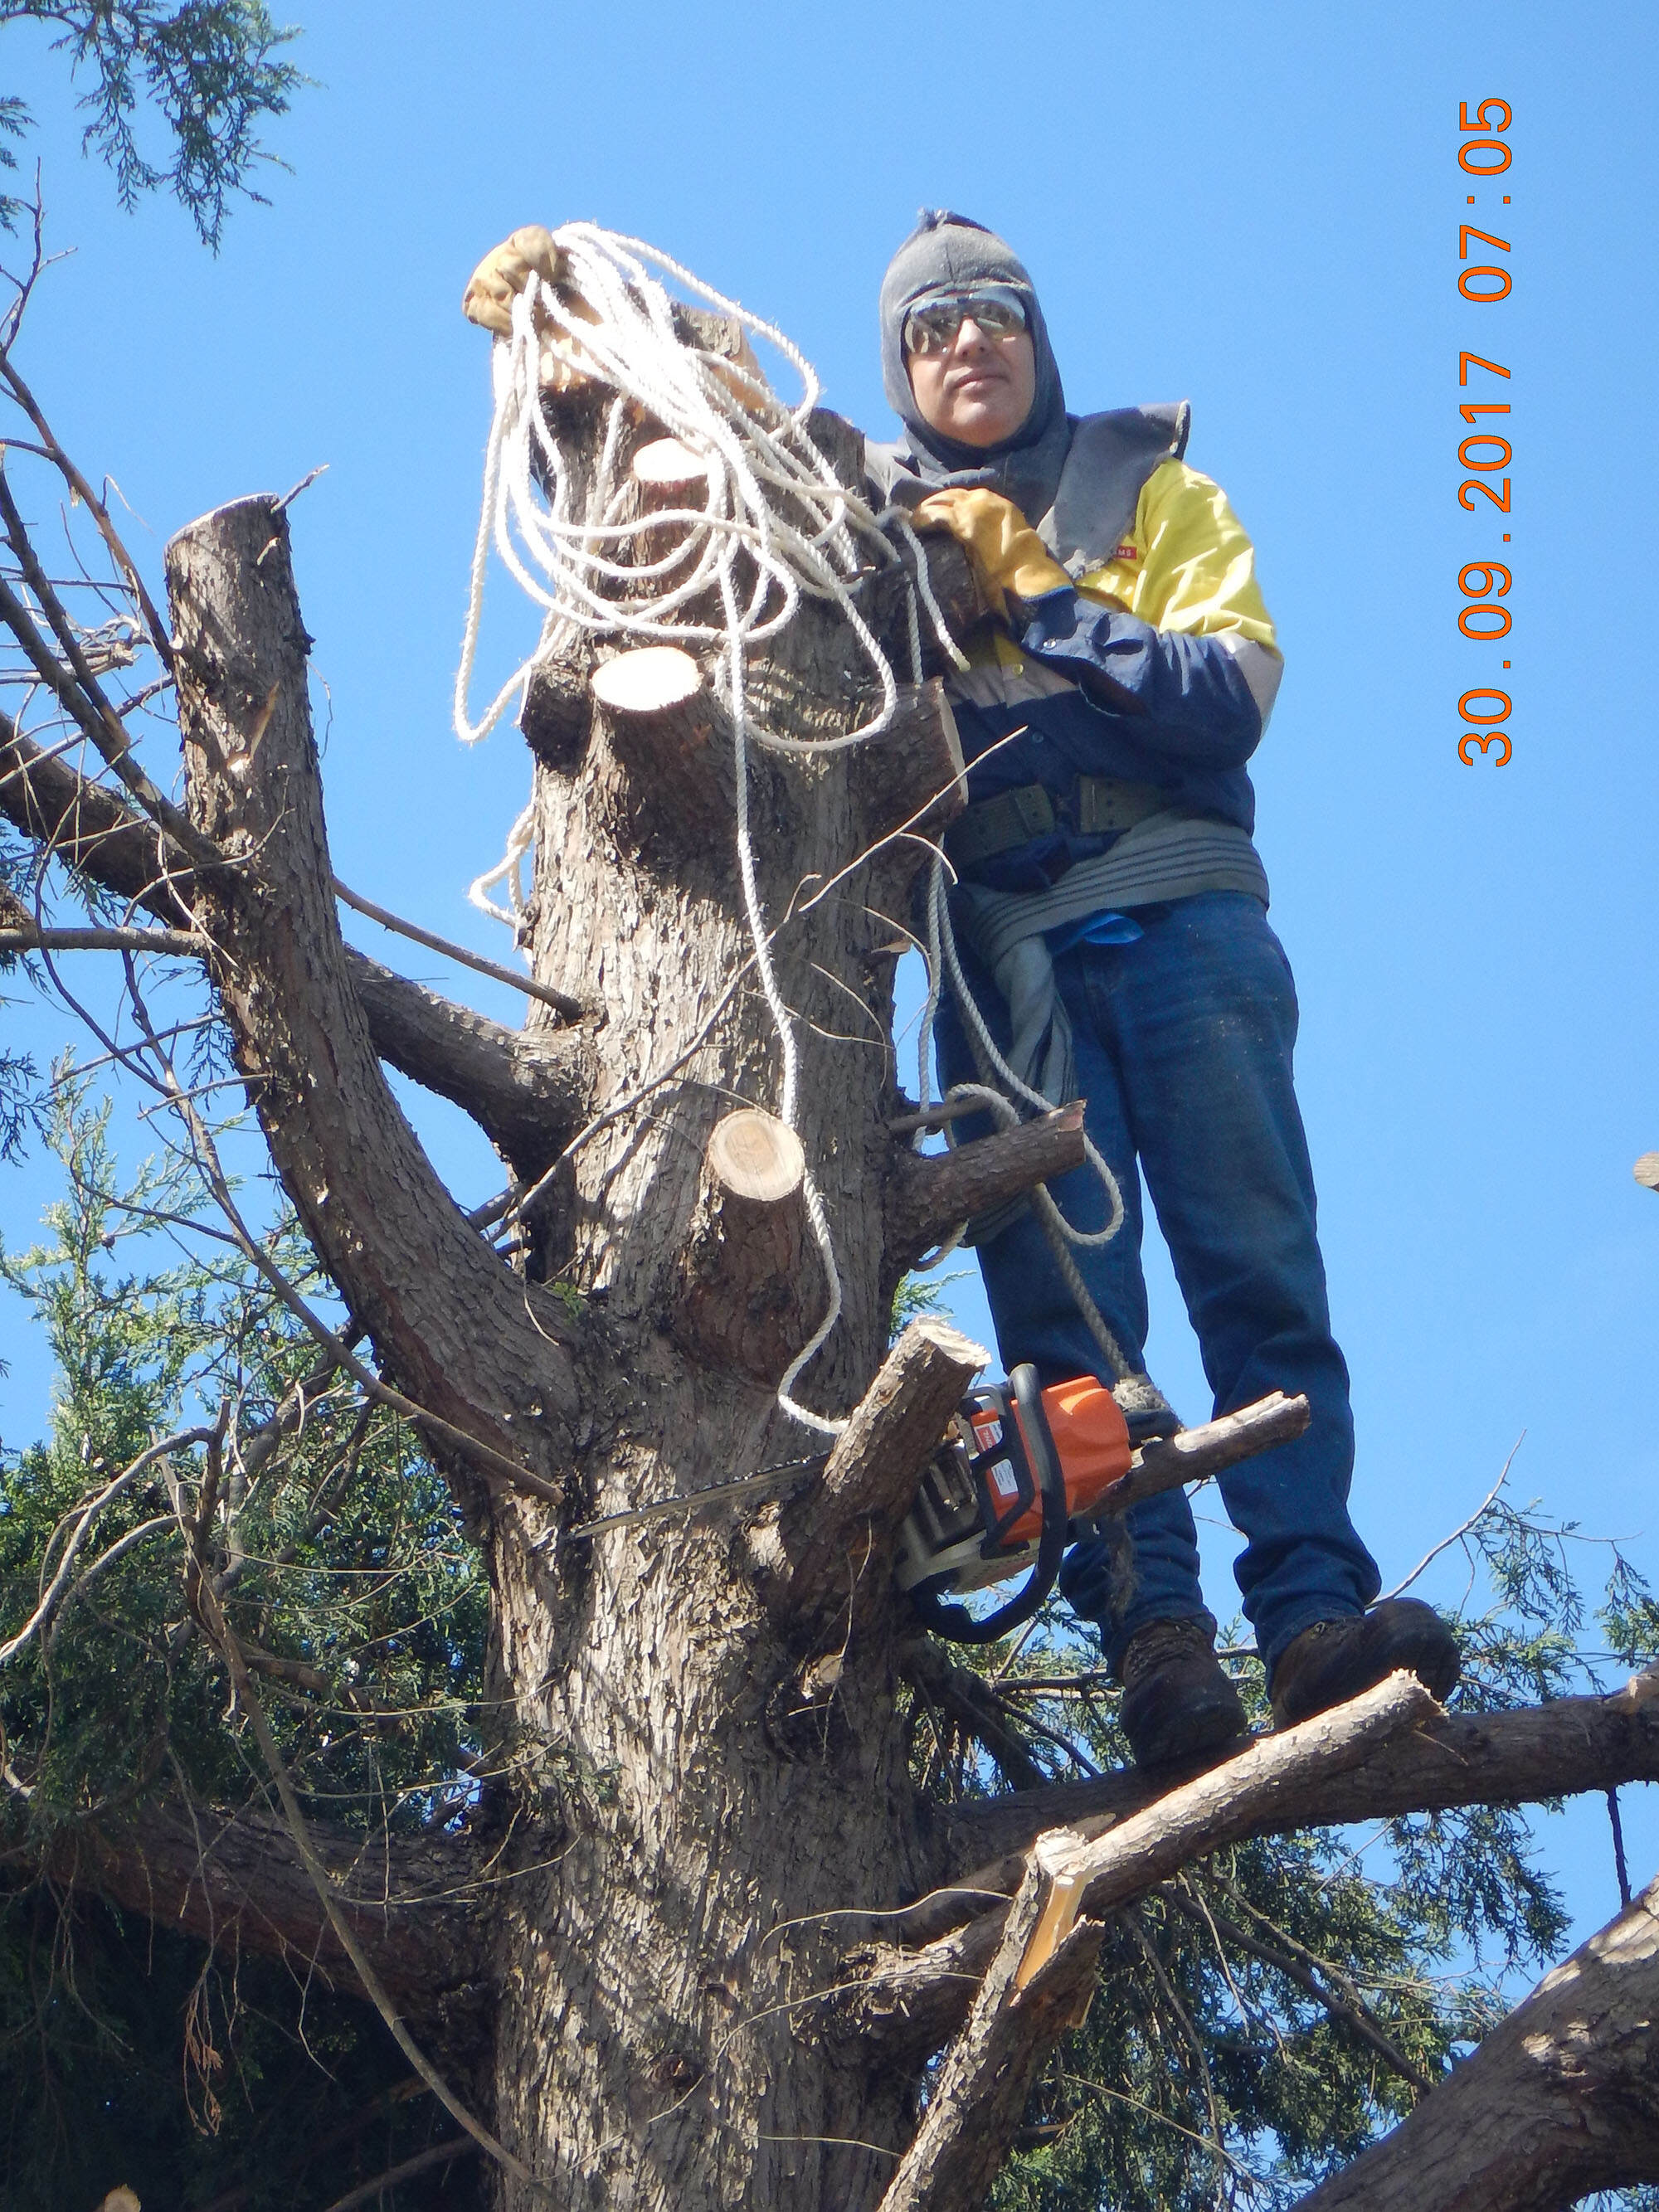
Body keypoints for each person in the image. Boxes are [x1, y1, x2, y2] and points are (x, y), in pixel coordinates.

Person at [869, 211, 1459, 1767]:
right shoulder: (873, 539)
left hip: (1184, 919)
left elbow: (1221, 704)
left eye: (991, 312)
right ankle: (1161, 1652)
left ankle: (1317, 1622)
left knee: (1259, 1275)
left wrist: (1043, 602)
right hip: (1001, 966)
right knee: (1073, 1330)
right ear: (903, 368)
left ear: (1036, 331)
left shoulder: (1151, 491)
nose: (964, 343)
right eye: (929, 331)